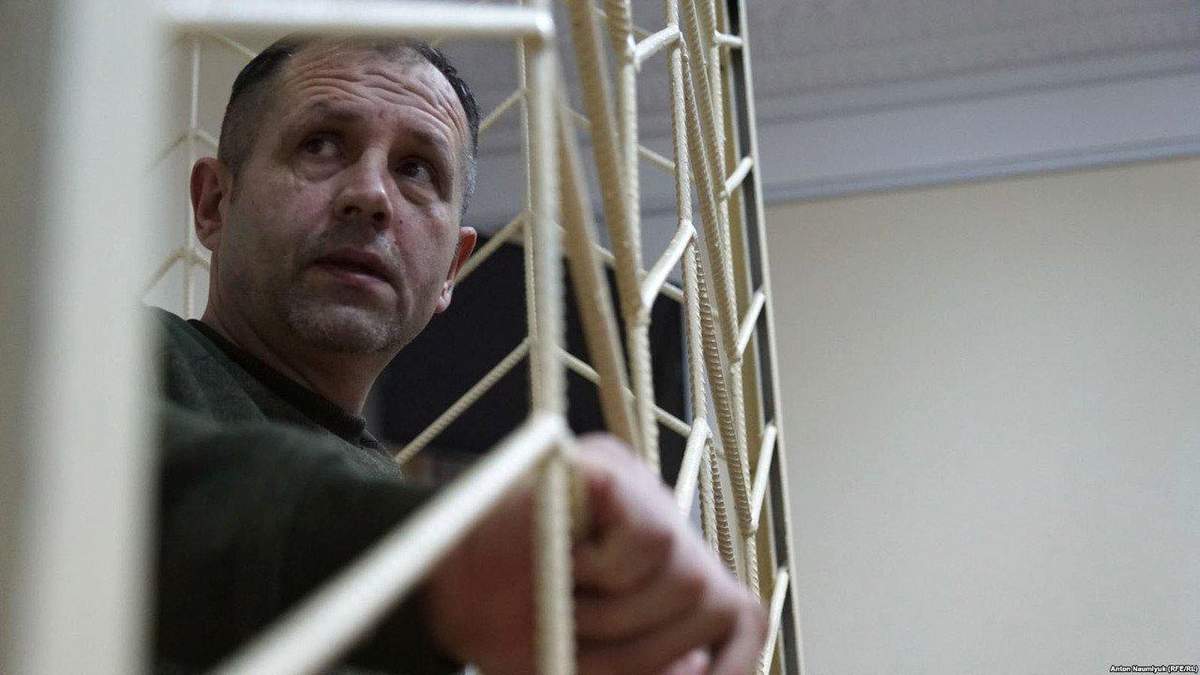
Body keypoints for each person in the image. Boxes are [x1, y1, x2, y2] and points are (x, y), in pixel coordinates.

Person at [155, 34, 766, 674]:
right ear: (214, 203)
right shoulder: (114, 361)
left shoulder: (411, 524)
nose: (370, 195)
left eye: (416, 169)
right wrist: (445, 561)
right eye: (321, 145)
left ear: (452, 269)